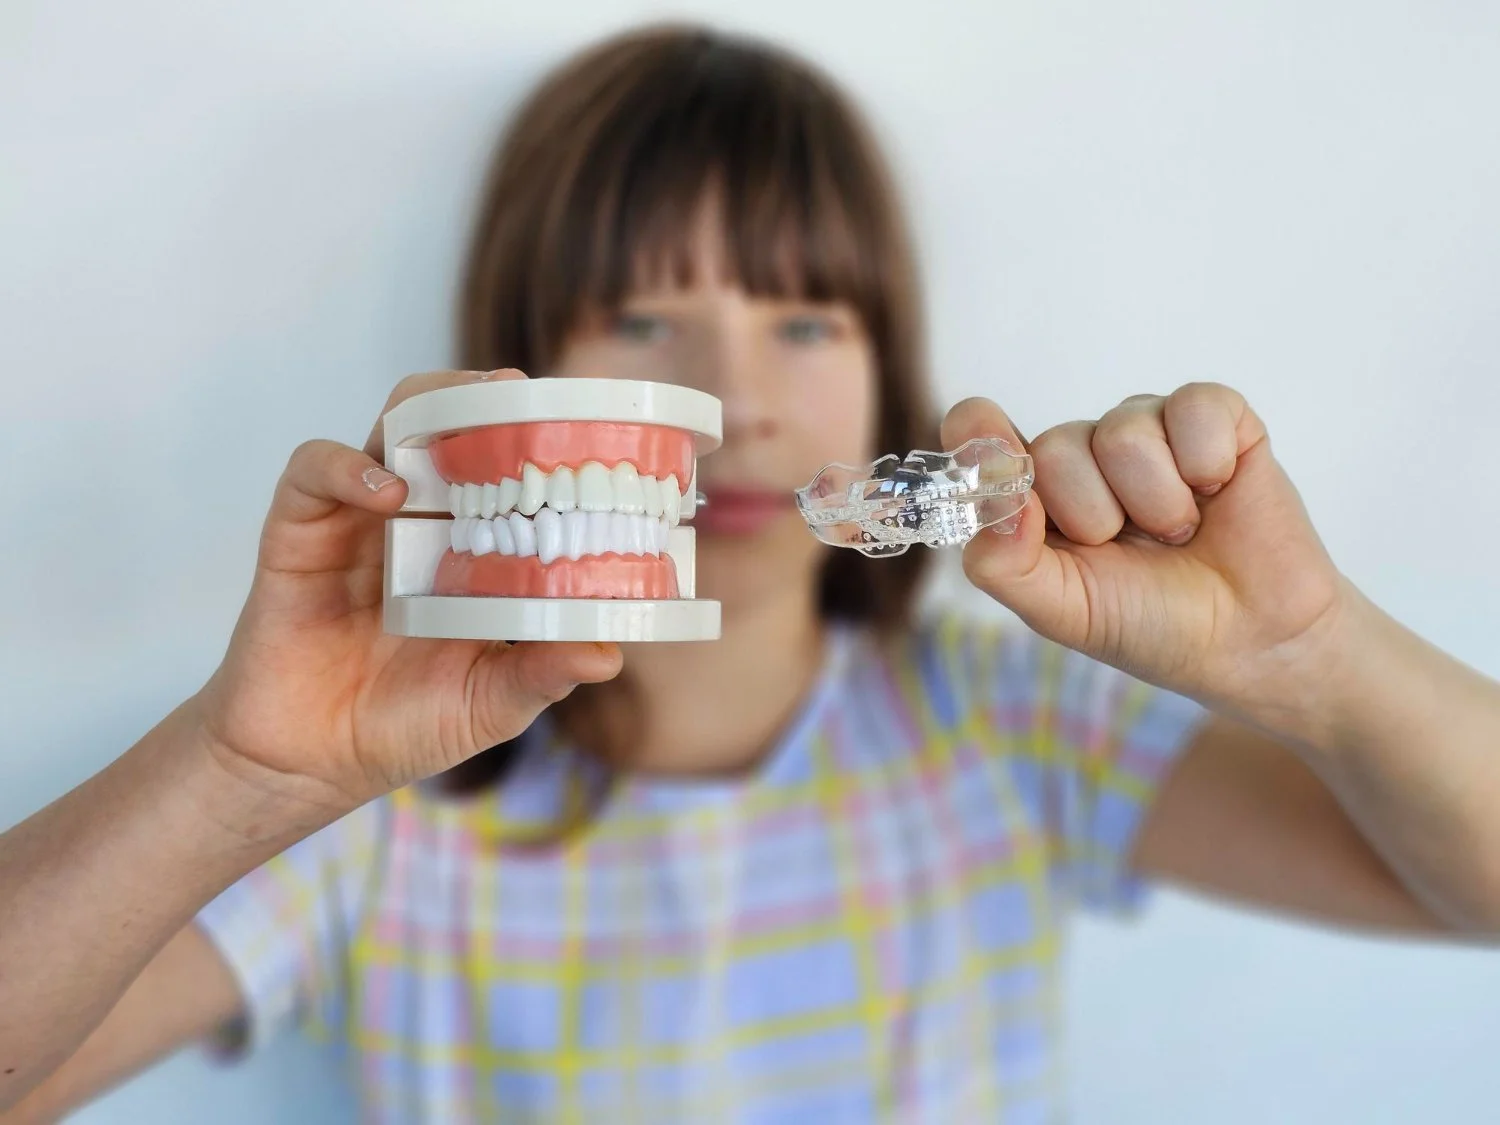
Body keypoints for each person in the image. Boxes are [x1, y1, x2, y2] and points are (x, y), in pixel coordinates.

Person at [2, 21, 1497, 1125]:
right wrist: (240, 772)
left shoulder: (1014, 727)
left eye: (803, 322)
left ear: (887, 365)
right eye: (645, 321)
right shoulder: (376, 810)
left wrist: (1310, 656)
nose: (732, 402)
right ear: (520, 378)